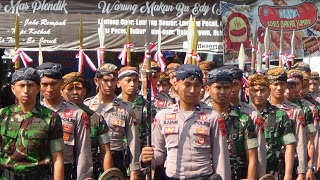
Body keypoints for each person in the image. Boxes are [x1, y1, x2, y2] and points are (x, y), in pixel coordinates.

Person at [141, 64, 231, 179]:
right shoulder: (162, 116)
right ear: (176, 85)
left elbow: (221, 157)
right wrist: (146, 158)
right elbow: (159, 153)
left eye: (197, 86)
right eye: (187, 85)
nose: (192, 90)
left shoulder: (213, 116)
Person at [0, 67, 64, 180]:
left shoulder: (51, 118)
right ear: (13, 89)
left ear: (38, 88)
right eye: (21, 86)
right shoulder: (4, 115)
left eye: (30, 85)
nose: (26, 90)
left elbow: (57, 157)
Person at [37, 62, 93, 180]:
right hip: (38, 171)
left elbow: (84, 152)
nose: (49, 89)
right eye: (44, 84)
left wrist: (83, 177)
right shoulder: (34, 112)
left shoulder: (77, 114)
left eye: (53, 84)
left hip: (66, 170)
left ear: (61, 84)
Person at [84, 63, 140, 180]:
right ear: (96, 81)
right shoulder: (87, 106)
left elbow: (133, 141)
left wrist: (134, 169)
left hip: (116, 157)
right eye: (105, 80)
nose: (109, 84)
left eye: (113, 80)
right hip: (91, 158)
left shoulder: (126, 109)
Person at [206, 68, 259, 179]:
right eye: (218, 87)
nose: (222, 92)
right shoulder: (201, 118)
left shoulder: (244, 119)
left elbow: (252, 158)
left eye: (226, 87)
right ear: (208, 89)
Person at [61, 72, 113, 179]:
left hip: (89, 173)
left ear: (84, 91)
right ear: (61, 92)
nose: (75, 92)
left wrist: (108, 176)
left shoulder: (96, 118)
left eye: (78, 88)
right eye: (70, 89)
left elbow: (105, 151)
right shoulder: (56, 117)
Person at [246, 73, 296, 179]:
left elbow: (289, 146)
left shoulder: (280, 115)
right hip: (246, 173)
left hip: (273, 174)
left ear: (268, 92)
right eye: (255, 90)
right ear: (247, 91)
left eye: (262, 90)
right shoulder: (241, 115)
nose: (259, 94)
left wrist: (288, 175)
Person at [267, 67, 307, 180]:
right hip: (267, 165)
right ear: (269, 86)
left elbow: (300, 142)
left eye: (282, 84)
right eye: (275, 84)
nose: (279, 88)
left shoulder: (296, 111)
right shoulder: (261, 109)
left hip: (289, 165)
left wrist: (302, 172)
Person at [287, 69, 316, 179]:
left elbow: (310, 140)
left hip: (298, 162)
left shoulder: (305, 109)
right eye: (287, 85)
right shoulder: (271, 108)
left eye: (294, 84)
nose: (288, 89)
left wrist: (310, 167)